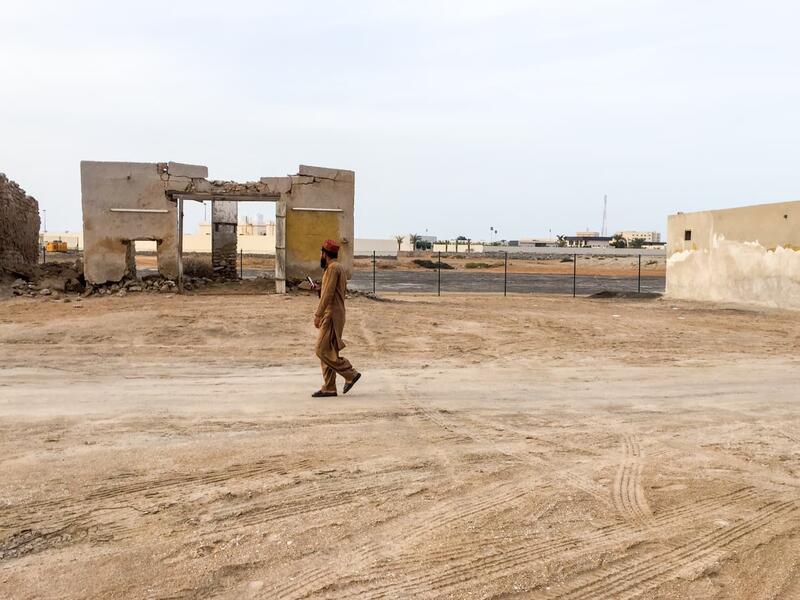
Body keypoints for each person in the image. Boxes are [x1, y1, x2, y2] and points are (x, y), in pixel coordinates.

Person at [312, 239, 361, 397]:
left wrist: (318, 315)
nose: (320, 255)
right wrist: (319, 288)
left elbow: (329, 295)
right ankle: (330, 386)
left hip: (332, 314)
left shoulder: (333, 268)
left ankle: (350, 373)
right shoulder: (335, 268)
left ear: (325, 254)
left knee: (321, 350)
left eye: (321, 253)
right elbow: (329, 291)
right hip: (336, 313)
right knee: (328, 350)